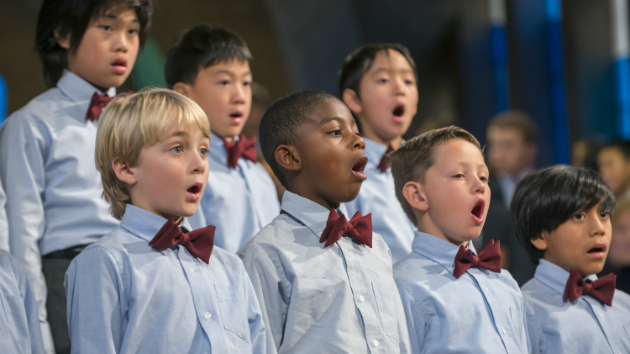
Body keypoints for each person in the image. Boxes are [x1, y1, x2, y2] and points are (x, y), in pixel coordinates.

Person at [0, 0, 153, 351]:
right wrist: (33, 333)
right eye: (107, 27)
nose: (123, 43)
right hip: (69, 274)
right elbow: (21, 241)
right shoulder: (31, 124)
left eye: (132, 30)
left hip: (144, 268)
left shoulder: (145, 124)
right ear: (64, 34)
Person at [65, 89, 266, 353]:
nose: (199, 164)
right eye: (178, 148)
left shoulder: (230, 267)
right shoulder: (105, 263)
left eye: (203, 150)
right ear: (126, 168)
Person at [237, 90, 411, 353]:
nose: (359, 140)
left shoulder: (377, 247)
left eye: (355, 130)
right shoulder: (265, 255)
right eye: (335, 132)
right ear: (291, 157)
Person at [391, 126, 529, 353]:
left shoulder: (505, 283)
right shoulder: (403, 287)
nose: (480, 185)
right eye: (459, 175)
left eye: (484, 176)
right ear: (418, 195)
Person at [165, 24, 280, 252]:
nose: (240, 96)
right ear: (183, 95)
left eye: (246, 83)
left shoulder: (258, 173)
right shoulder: (186, 173)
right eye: (225, 82)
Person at [512, 165, 630, 353]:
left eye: (603, 214)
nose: (599, 228)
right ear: (540, 236)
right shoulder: (523, 311)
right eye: (579, 216)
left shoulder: (624, 303)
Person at [339, 43, 418, 263]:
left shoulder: (433, 165)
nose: (400, 88)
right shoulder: (344, 177)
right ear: (354, 100)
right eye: (383, 80)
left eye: (408, 81)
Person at [484, 110, 538, 285]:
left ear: (530, 149)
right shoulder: (480, 189)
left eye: (507, 146)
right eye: (494, 145)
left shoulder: (547, 188)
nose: (498, 154)